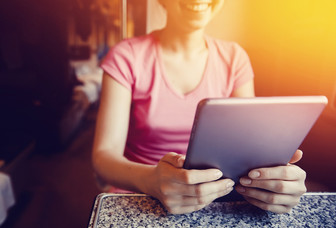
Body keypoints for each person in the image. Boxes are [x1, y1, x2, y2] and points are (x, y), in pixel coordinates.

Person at [92, 0, 306, 214]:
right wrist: (152, 181)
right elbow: (104, 157)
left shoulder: (234, 58)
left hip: (215, 198)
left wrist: (274, 180)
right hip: (140, 194)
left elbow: (247, 147)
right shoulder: (126, 56)